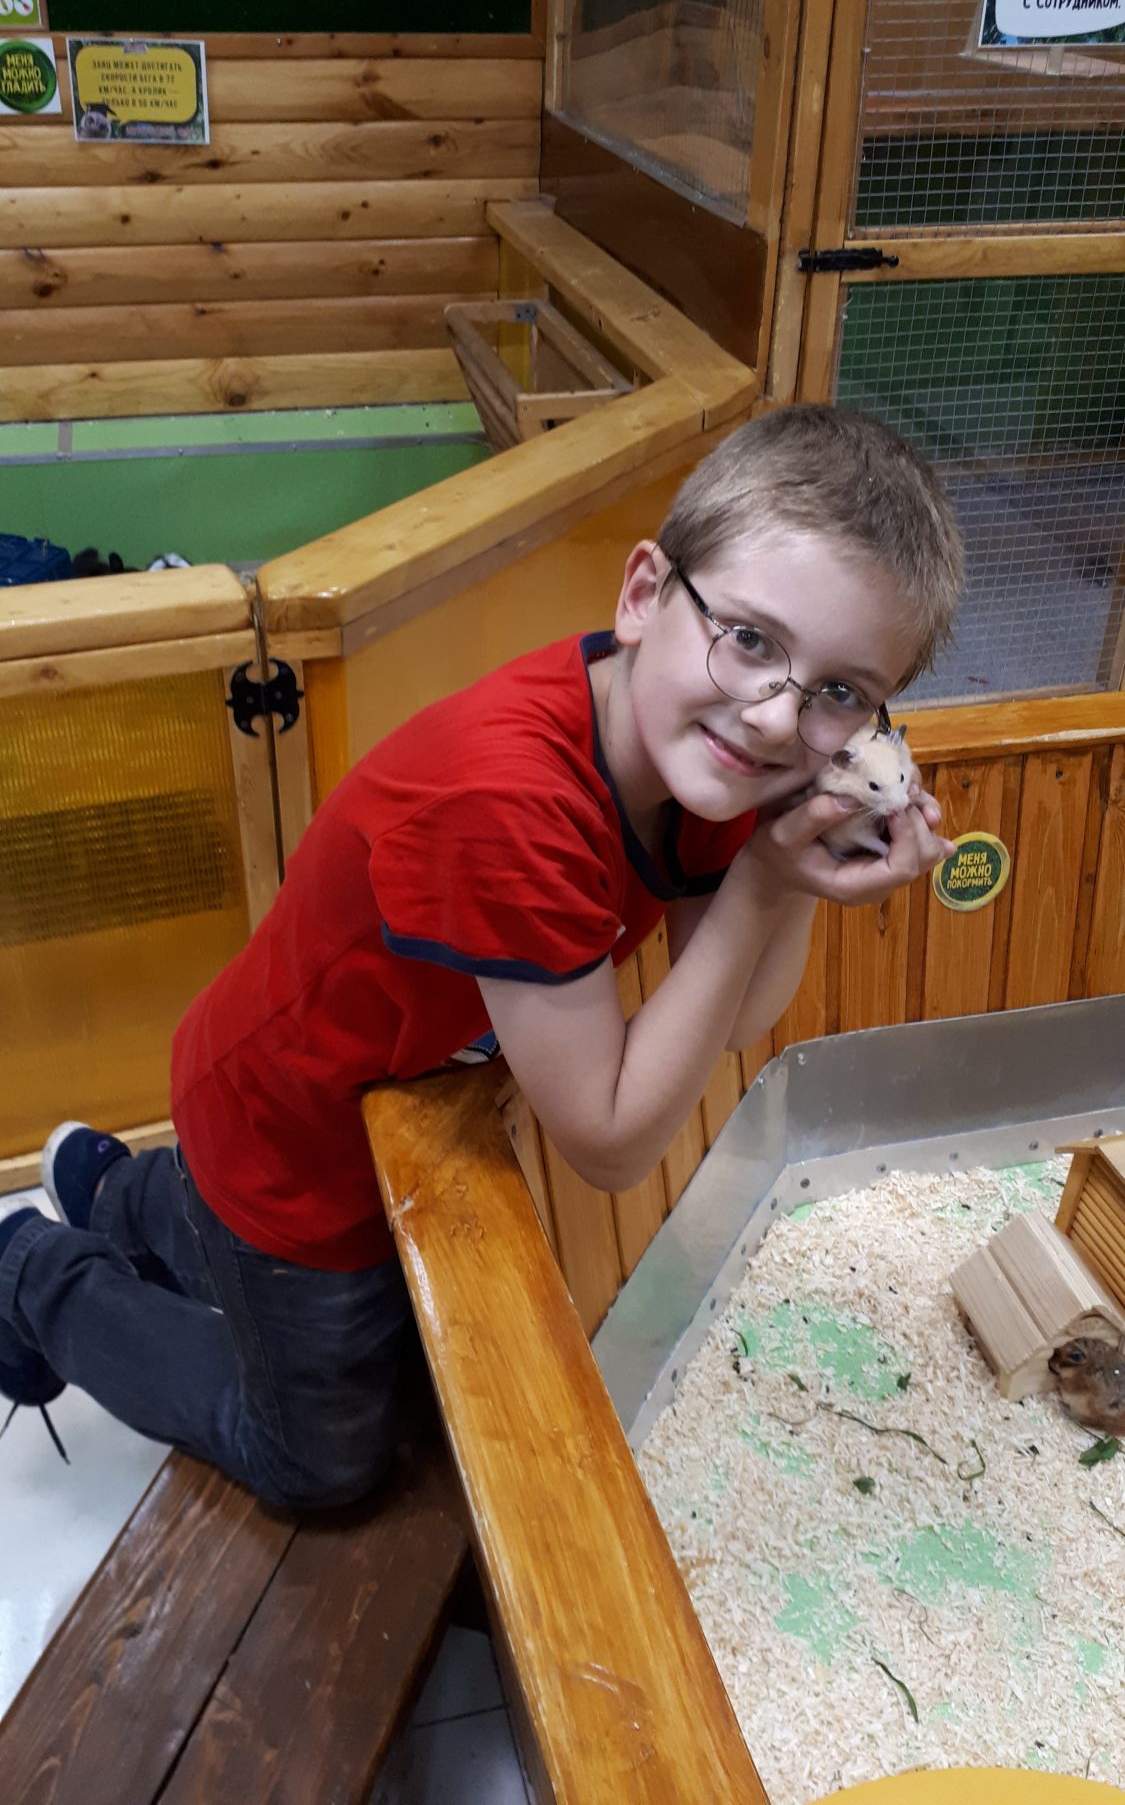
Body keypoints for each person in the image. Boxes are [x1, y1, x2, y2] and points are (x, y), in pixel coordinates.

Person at [0, 405, 963, 1504]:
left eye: (839, 692)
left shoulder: (705, 755)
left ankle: (114, 1191)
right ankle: (31, 1272)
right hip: (290, 1127)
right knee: (325, 1463)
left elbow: (739, 1017)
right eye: (748, 637)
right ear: (643, 594)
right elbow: (610, 1139)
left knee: (334, 1317)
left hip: (367, 1093)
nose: (777, 718)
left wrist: (791, 872)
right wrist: (762, 885)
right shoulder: (511, 803)